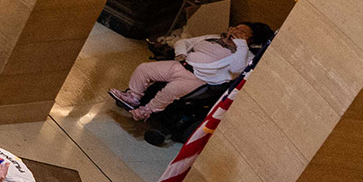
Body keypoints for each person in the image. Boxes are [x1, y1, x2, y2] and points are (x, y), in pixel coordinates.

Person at [109, 25, 255, 118]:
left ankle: (146, 112)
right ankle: (133, 97)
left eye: (242, 33)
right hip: (182, 64)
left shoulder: (245, 55)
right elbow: (184, 42)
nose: (235, 32)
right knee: (144, 69)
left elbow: (236, 69)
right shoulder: (214, 38)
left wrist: (241, 44)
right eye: (235, 28)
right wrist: (181, 53)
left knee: (170, 90)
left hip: (197, 78)